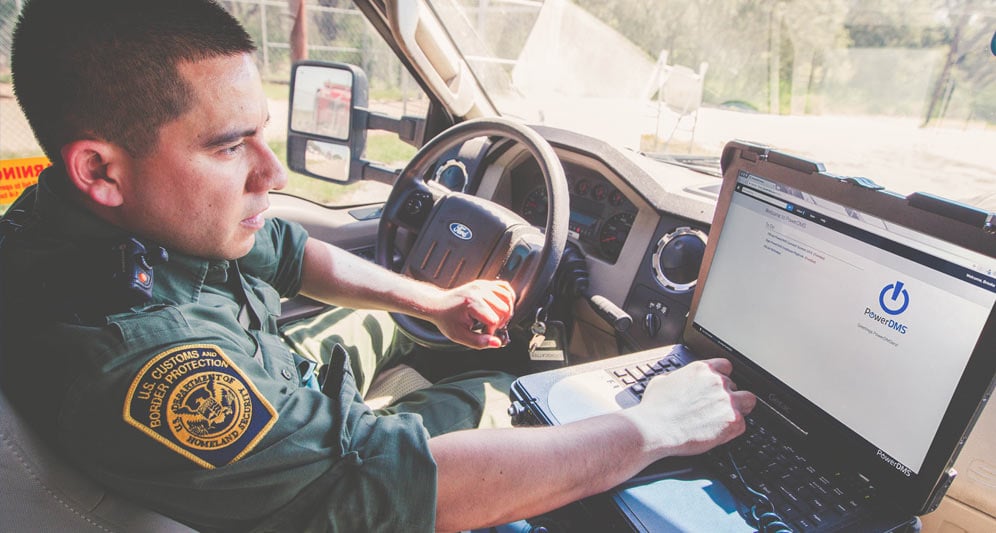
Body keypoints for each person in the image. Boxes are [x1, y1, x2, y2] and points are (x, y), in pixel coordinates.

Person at [0, 1, 756, 531]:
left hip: (285, 373)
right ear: (99, 168)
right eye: (229, 146)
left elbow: (289, 253)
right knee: (517, 390)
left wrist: (431, 300)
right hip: (316, 465)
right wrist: (650, 424)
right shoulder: (143, 358)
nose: (273, 174)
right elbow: (387, 485)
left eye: (262, 135)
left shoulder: (111, 216)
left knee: (395, 328)